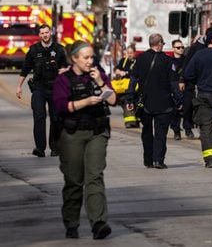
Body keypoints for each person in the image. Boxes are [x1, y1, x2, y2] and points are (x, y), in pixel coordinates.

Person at [52, 41, 117, 240]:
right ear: (75, 59)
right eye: (86, 58)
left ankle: (99, 222)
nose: (90, 61)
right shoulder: (64, 80)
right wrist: (86, 102)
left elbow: (113, 100)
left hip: (97, 132)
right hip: (73, 134)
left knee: (95, 176)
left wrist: (99, 82)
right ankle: (71, 223)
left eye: (92, 57)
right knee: (74, 180)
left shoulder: (98, 75)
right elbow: (61, 106)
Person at [16, 24, 68, 158]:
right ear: (39, 35)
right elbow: (25, 69)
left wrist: (66, 70)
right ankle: (39, 148)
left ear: (51, 33)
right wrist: (19, 86)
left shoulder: (59, 49)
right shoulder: (34, 50)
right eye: (42, 33)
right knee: (39, 117)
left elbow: (70, 66)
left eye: (47, 32)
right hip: (39, 87)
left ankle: (55, 147)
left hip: (56, 88)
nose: (45, 35)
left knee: (56, 119)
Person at [183, 31, 212, 168]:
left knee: (206, 127)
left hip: (204, 95)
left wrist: (199, 79)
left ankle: (209, 159)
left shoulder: (199, 55)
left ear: (207, 41)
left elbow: (188, 74)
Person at [130, 33, 175, 169]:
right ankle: (158, 160)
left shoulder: (140, 59)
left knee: (147, 132)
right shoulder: (167, 61)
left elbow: (133, 80)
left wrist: (130, 98)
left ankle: (148, 159)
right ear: (159, 43)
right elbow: (173, 82)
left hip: (145, 102)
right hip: (164, 103)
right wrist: (179, 100)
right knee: (161, 133)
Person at [113, 45, 138, 128]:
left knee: (133, 102)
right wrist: (119, 72)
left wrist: (128, 73)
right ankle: (130, 121)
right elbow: (116, 69)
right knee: (125, 102)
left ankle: (133, 121)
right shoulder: (123, 61)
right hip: (124, 86)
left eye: (131, 53)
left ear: (134, 53)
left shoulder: (137, 62)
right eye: (128, 53)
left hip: (134, 86)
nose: (129, 54)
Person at [169, 39, 186, 140]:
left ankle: (188, 128)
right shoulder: (169, 61)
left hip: (185, 88)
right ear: (173, 48)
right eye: (178, 47)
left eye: (182, 47)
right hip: (173, 88)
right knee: (174, 111)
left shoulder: (186, 60)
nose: (181, 49)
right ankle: (176, 131)